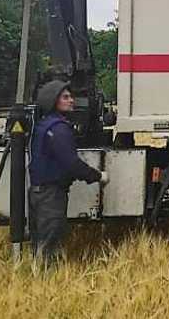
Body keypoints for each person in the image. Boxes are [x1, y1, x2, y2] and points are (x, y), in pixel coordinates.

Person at [28, 80, 107, 266]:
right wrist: (98, 176)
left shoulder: (44, 125)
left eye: (71, 96)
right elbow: (71, 163)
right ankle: (45, 286)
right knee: (49, 247)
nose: (72, 100)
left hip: (39, 193)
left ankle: (35, 281)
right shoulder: (58, 129)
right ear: (52, 100)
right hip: (51, 195)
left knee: (40, 244)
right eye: (65, 97)